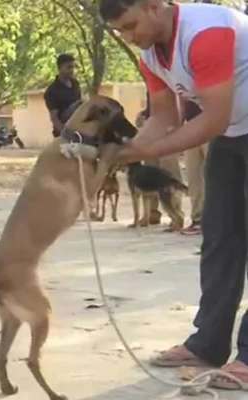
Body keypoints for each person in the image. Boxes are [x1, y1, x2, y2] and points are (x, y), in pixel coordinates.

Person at [101, 0, 248, 386]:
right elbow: (165, 118)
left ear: (154, 6)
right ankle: (207, 344)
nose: (129, 38)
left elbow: (212, 117)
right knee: (219, 240)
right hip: (234, 136)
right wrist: (123, 153)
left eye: (131, 26)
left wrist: (141, 153)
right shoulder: (151, 55)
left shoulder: (205, 31)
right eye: (120, 32)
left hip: (227, 126)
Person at [181, 100, 206, 235]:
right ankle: (197, 219)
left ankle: (216, 219)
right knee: (193, 176)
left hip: (211, 123)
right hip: (190, 126)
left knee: (215, 175)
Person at [44, 53, 82, 138]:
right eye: (68, 67)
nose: (72, 70)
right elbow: (54, 118)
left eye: (73, 67)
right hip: (63, 133)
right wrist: (65, 134)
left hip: (79, 129)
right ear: (60, 68)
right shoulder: (52, 91)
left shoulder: (75, 84)